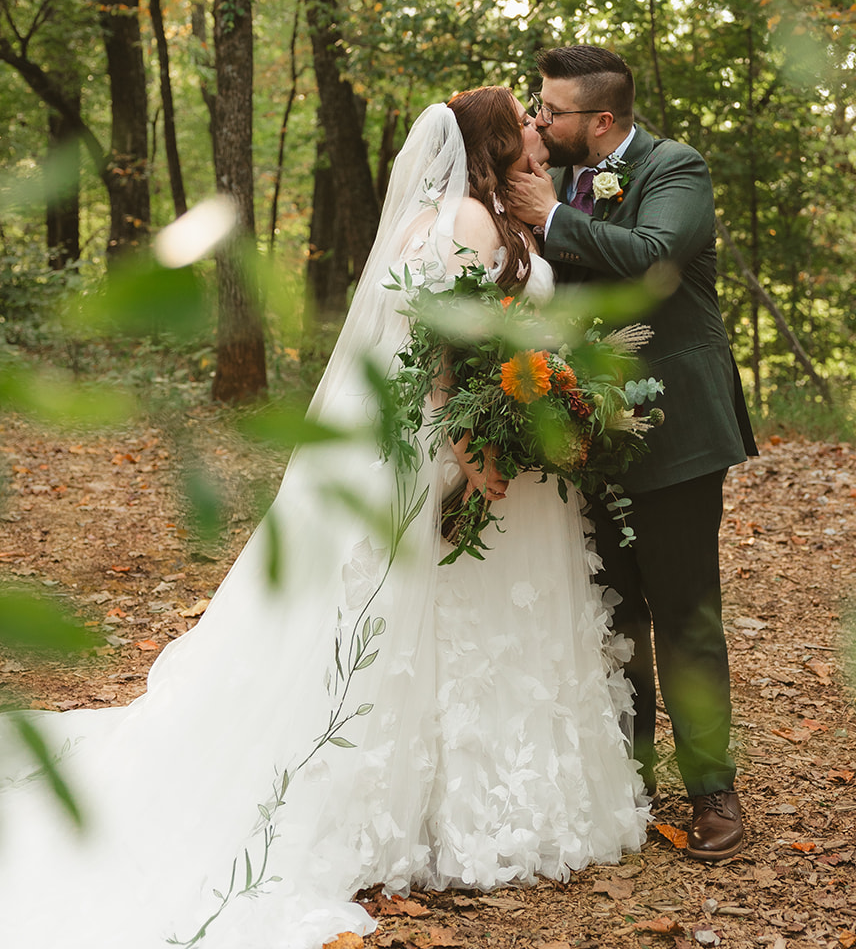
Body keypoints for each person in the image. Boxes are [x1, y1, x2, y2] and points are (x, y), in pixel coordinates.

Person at [0, 89, 645, 949]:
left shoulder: (496, 213)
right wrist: (469, 444)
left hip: (511, 452)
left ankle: (490, 796)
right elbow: (435, 345)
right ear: (491, 142)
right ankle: (420, 806)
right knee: (418, 618)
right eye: (522, 120)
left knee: (481, 620)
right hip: (458, 450)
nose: (537, 126)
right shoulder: (466, 221)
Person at [508, 46, 758, 863]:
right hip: (584, 430)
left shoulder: (672, 167)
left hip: (676, 431)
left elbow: (655, 254)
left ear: (601, 121)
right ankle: (625, 776)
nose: (540, 121)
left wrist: (549, 219)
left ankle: (711, 789)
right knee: (611, 610)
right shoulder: (556, 182)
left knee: (684, 612)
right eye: (537, 110)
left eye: (551, 111)